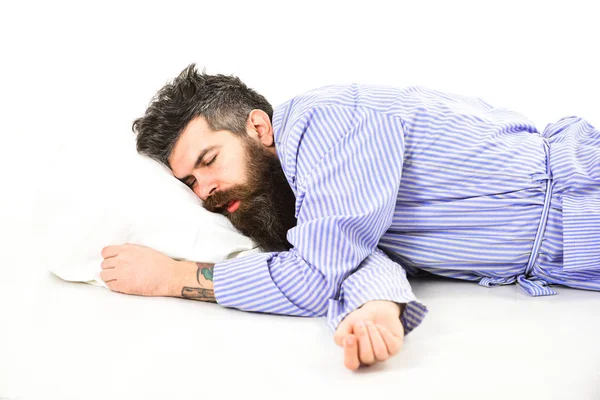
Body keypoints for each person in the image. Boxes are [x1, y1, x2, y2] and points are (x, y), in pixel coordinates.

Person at [100, 64, 600, 371]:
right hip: (572, 254)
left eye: (208, 162)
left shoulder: (325, 125)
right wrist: (376, 307)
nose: (205, 192)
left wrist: (172, 277)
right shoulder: (306, 197)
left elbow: (318, 276)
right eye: (190, 184)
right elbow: (353, 253)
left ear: (258, 127)